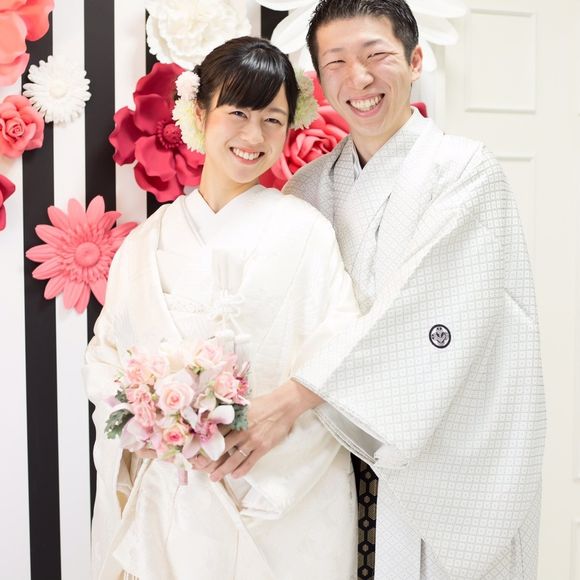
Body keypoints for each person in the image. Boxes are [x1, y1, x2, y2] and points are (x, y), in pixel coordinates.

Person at [202, 1, 546, 578]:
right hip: (330, 454)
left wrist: (291, 400)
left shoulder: (466, 171)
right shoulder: (309, 188)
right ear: (319, 79)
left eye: (375, 55)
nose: (357, 79)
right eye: (336, 62)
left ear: (415, 60)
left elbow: (427, 312)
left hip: (431, 445)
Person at [84, 36, 359, 580]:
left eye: (272, 120)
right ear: (199, 113)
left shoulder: (307, 233)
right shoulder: (146, 243)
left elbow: (343, 348)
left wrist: (275, 418)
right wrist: (153, 421)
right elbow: (106, 359)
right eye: (237, 113)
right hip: (171, 496)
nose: (254, 137)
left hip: (279, 493)